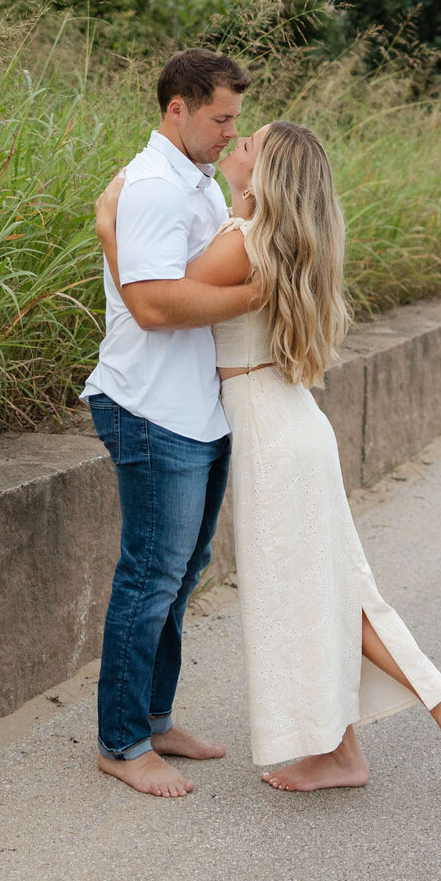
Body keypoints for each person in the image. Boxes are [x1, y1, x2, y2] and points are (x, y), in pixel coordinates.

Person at [95, 119, 441, 797]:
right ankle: (344, 751)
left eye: (246, 145)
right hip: (285, 423)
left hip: (272, 435)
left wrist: (109, 230)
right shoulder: (270, 237)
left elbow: (156, 302)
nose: (233, 146)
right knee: (328, 592)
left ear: (265, 173)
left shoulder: (241, 244)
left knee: (322, 594)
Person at [81, 47, 258, 799]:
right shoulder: (154, 186)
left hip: (196, 409)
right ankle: (121, 744)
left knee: (182, 575)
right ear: (177, 109)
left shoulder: (201, 180)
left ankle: (154, 718)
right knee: (150, 577)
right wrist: (263, 296)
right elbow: (154, 308)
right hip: (152, 408)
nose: (228, 133)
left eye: (234, 120)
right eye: (220, 119)